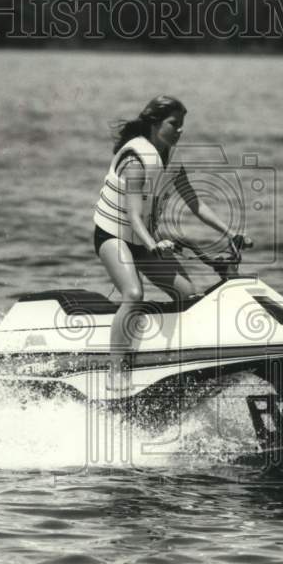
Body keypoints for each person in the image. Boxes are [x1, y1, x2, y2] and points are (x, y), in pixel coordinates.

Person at [93, 95, 245, 389]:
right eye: (174, 124)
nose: (180, 130)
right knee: (133, 293)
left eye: (182, 125)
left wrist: (230, 233)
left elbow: (196, 204)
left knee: (190, 296)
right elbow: (134, 215)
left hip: (143, 240)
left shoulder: (171, 162)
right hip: (113, 236)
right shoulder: (135, 160)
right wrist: (153, 245)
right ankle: (116, 371)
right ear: (154, 123)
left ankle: (167, 357)